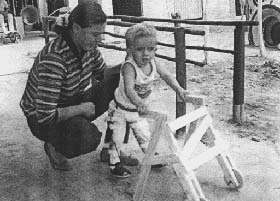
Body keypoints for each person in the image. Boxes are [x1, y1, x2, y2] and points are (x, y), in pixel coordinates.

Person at [20, 1, 121, 171]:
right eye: (95, 34)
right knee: (88, 137)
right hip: (41, 118)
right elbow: (45, 116)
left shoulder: (89, 48)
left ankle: (112, 149)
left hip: (69, 100)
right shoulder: (55, 59)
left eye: (101, 34)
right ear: (76, 29)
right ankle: (55, 147)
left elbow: (103, 73)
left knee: (120, 79)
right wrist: (81, 109)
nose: (100, 40)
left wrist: (129, 64)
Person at [104, 23, 190, 177]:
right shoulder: (129, 67)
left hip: (137, 109)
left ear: (155, 49)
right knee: (116, 138)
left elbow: (167, 76)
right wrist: (139, 102)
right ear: (129, 50)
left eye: (150, 49)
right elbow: (129, 89)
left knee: (144, 134)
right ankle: (115, 163)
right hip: (121, 109)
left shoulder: (153, 62)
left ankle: (150, 157)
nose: (146, 54)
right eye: (139, 49)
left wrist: (178, 89)